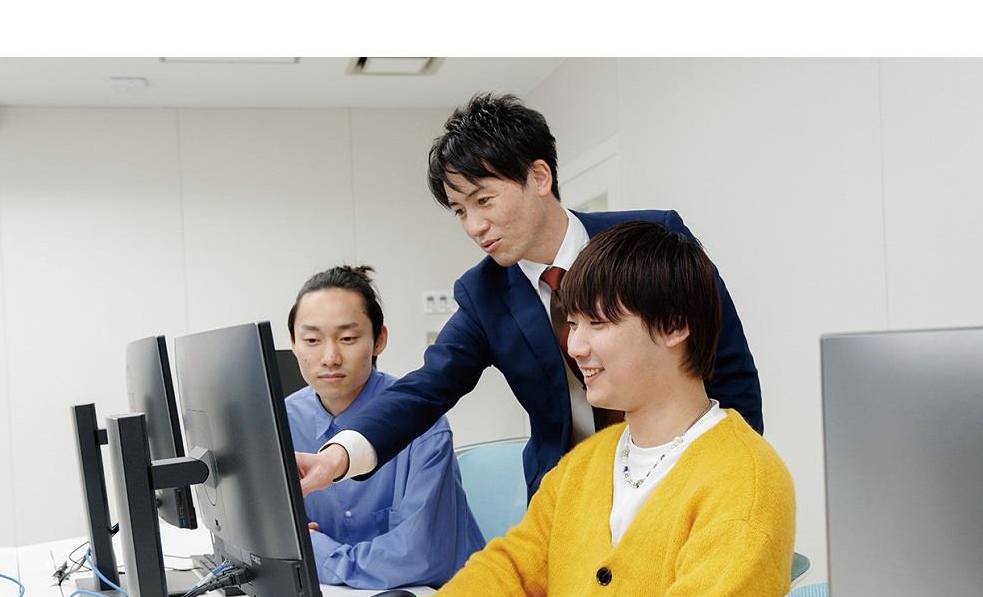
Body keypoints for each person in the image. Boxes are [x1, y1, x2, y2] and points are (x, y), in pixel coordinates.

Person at [348, 223, 795, 597]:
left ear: (673, 326)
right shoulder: (586, 463)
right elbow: (515, 571)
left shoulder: (745, 479)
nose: (575, 346)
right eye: (573, 323)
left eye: (597, 324)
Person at [298, 93, 762, 501]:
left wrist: (736, 472)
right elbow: (427, 387)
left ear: (539, 176)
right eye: (459, 211)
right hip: (569, 490)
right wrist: (337, 457)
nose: (474, 226)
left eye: (484, 200)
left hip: (683, 470)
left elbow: (726, 365)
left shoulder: (651, 238)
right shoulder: (484, 293)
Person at [284, 265, 483, 589]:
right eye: (312, 340)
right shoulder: (283, 423)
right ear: (293, 343)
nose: (330, 357)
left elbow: (421, 557)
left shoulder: (420, 421)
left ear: (379, 340)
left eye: (348, 338)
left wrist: (318, 555)